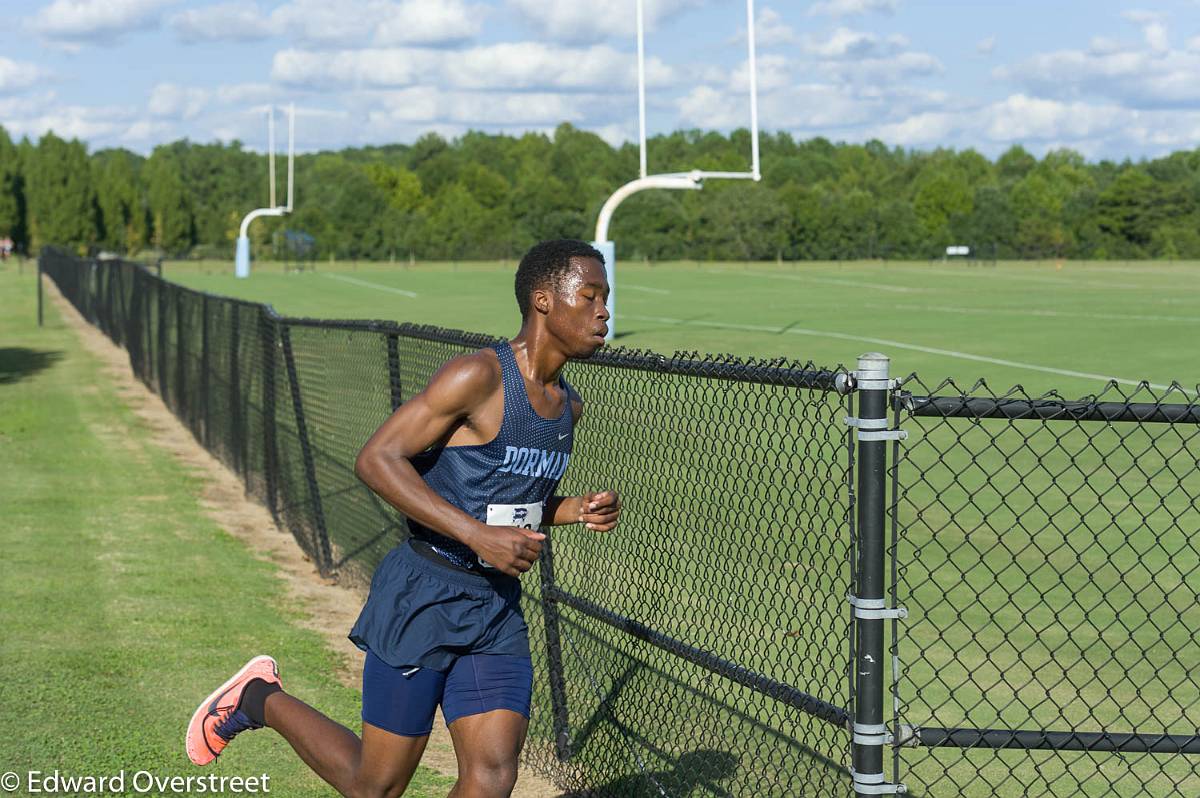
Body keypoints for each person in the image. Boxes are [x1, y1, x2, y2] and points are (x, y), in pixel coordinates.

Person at [185, 239, 622, 798]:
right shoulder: (479, 377)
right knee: (376, 786)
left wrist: (572, 510)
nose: (603, 311)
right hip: (425, 593)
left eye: (604, 298)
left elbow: (511, 498)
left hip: (494, 608)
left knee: (493, 777)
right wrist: (475, 535)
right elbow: (377, 458)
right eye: (588, 297)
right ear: (543, 300)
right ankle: (257, 699)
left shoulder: (568, 406)